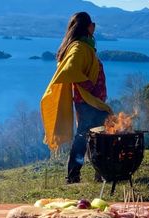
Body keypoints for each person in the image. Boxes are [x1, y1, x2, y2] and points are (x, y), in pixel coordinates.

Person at [40, 12, 112, 184]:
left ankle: (95, 174)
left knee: (93, 137)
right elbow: (69, 70)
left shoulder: (82, 45)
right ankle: (76, 176)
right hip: (88, 102)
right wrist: (88, 87)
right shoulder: (79, 47)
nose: (94, 26)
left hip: (90, 102)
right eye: (92, 23)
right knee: (90, 137)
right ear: (87, 27)